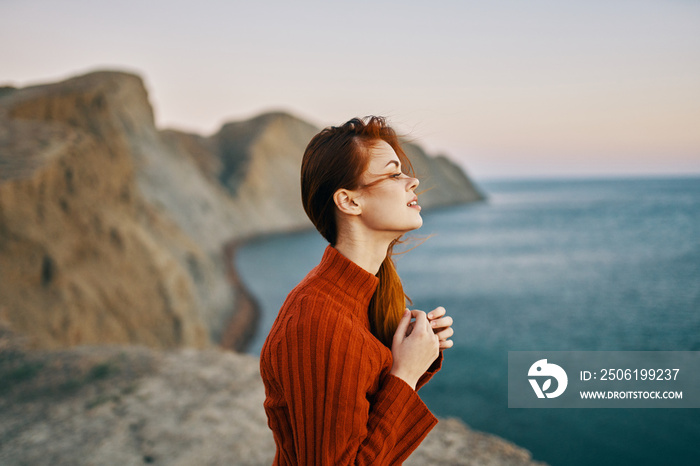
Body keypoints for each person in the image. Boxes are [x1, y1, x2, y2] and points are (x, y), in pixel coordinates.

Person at [260, 116, 454, 465]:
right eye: (394, 174)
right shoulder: (317, 320)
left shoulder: (355, 298)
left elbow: (364, 431)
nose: (412, 181)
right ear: (349, 202)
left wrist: (411, 356)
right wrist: (404, 375)